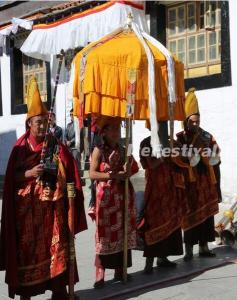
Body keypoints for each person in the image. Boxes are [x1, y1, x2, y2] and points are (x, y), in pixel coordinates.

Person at [0, 77, 87, 300]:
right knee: (27, 254)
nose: (42, 126)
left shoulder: (55, 145)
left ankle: (59, 290)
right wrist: (29, 173)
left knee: (56, 250)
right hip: (26, 215)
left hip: (52, 212)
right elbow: (11, 180)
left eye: (44, 122)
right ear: (29, 123)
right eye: (37, 122)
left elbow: (70, 170)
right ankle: (26, 294)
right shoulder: (20, 149)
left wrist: (64, 182)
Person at [88, 116, 139, 288]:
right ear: (104, 132)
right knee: (104, 235)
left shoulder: (124, 149)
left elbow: (134, 168)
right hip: (106, 198)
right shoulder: (98, 150)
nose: (118, 132)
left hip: (123, 196)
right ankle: (100, 273)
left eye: (119, 129)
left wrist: (128, 168)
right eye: (114, 129)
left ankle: (120, 269)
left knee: (123, 232)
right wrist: (113, 175)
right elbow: (92, 174)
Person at [176, 88, 221, 261]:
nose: (195, 124)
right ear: (186, 121)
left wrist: (208, 151)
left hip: (206, 181)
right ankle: (188, 250)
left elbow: (217, 155)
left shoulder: (207, 136)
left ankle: (204, 247)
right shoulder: (180, 138)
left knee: (207, 217)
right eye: (192, 122)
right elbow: (178, 159)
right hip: (189, 183)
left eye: (198, 121)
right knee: (190, 215)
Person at [139, 122, 187, 273]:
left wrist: (176, 153)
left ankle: (163, 258)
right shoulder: (146, 143)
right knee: (153, 224)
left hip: (171, 190)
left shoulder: (172, 142)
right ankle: (149, 261)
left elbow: (183, 161)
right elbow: (148, 165)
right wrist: (162, 156)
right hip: (155, 190)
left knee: (170, 223)